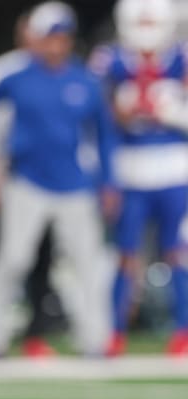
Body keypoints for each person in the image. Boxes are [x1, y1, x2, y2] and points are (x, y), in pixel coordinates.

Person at [0, 1, 118, 357]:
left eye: (62, 36)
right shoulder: (14, 77)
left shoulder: (84, 80)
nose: (56, 43)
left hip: (76, 185)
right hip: (26, 182)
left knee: (86, 264)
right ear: (36, 39)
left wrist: (109, 183)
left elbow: (104, 135)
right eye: (49, 36)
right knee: (13, 261)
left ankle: (96, 340)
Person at [89, 0, 188, 356]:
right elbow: (96, 116)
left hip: (176, 169)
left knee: (178, 253)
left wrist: (172, 112)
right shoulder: (110, 60)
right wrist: (120, 112)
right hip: (131, 169)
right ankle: (114, 331)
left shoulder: (181, 57)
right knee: (126, 256)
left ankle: (183, 331)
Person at [0, 12, 66, 358]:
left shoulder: (57, 72)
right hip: (10, 177)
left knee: (43, 261)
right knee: (7, 260)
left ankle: (34, 334)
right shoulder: (3, 72)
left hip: (51, 182)